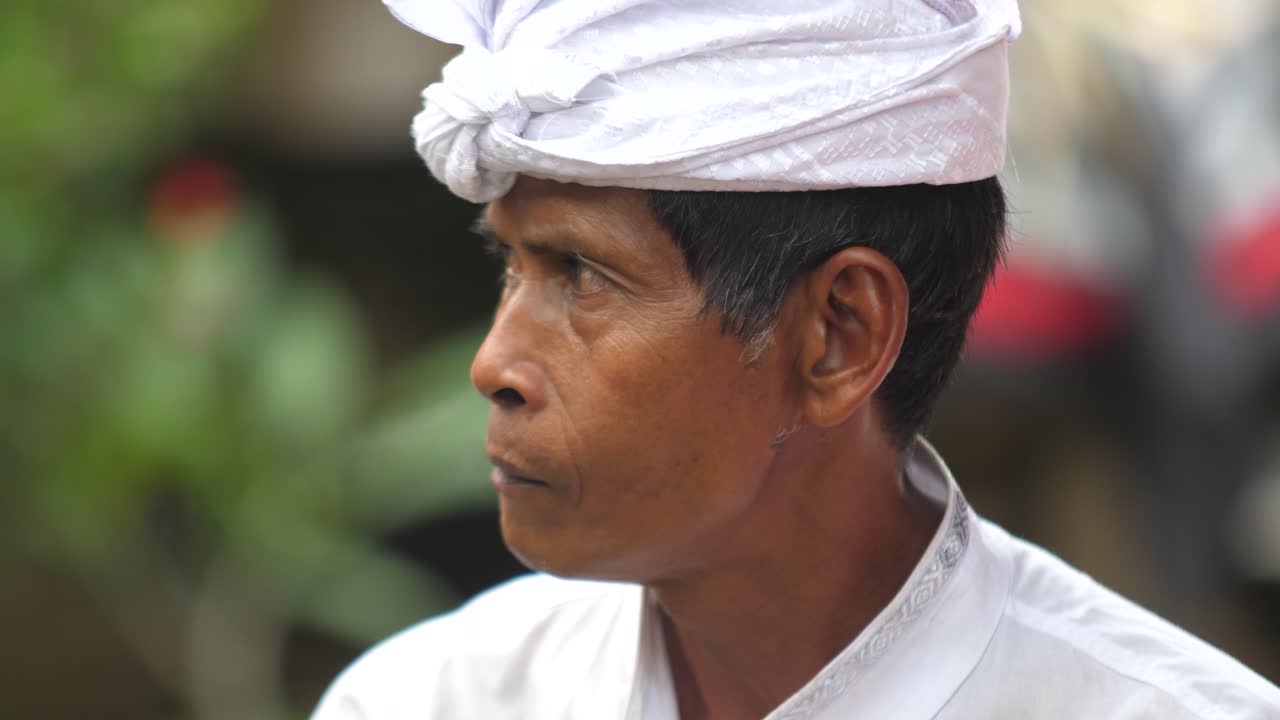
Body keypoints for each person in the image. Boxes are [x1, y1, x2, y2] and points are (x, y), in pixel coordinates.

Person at [313, 1, 1280, 718]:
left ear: (839, 335)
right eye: (512, 266)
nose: (494, 363)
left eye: (583, 275)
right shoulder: (430, 700)